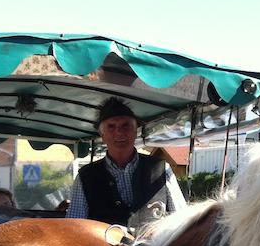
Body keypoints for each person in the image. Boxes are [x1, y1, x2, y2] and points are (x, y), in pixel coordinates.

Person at [67, 97, 185, 226]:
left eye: (126, 126)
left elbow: (181, 221)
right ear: (102, 135)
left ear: (136, 131)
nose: (119, 132)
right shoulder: (86, 176)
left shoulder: (161, 169)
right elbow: (74, 227)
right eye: (111, 127)